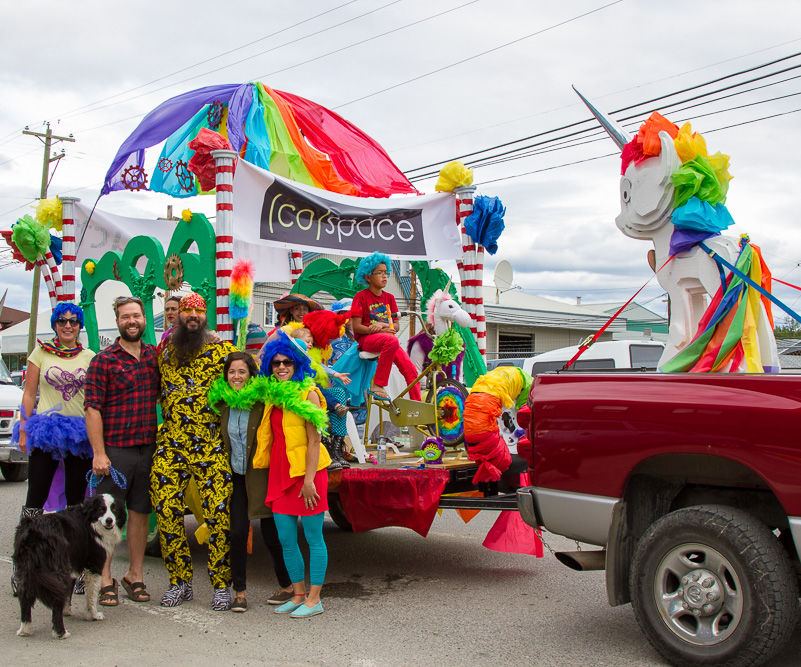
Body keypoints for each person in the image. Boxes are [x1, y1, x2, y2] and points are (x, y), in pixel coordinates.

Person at [152, 292, 237, 610]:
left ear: (205, 316)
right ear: (177, 316)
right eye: (186, 310)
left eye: (197, 311)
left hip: (209, 446)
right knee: (165, 512)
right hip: (171, 445)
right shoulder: (165, 352)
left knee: (218, 514)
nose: (191, 316)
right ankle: (180, 582)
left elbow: (245, 383)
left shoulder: (223, 351)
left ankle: (221, 584)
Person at [11, 303, 95, 592]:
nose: (68, 325)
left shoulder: (89, 356)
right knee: (35, 501)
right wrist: (24, 428)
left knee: (76, 504)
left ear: (79, 325)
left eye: (73, 321)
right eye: (62, 321)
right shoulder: (41, 352)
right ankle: (21, 568)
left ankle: (74, 570)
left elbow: (94, 400)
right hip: (46, 431)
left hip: (79, 435)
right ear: (55, 324)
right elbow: (30, 393)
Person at [84, 295, 160, 606]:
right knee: (108, 516)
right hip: (115, 451)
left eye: (136, 316)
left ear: (144, 319)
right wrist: (99, 453)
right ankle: (105, 577)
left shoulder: (155, 356)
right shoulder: (103, 360)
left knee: (141, 513)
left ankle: (135, 575)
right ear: (117, 321)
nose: (132, 321)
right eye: (125, 317)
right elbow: (92, 409)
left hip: (148, 449)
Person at [208, 351, 294, 613]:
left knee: (272, 535)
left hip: (262, 477)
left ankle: (287, 585)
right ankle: (240, 592)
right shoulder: (222, 403)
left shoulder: (263, 401)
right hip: (235, 477)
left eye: (242, 372)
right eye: (232, 372)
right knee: (236, 533)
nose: (237, 377)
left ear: (251, 375)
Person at [256, 332, 331, 618]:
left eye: (287, 362)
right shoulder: (273, 393)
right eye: (276, 363)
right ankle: (298, 594)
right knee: (286, 538)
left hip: (307, 475)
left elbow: (315, 441)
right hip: (280, 474)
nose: (281, 367)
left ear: (297, 363)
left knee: (313, 537)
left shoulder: (308, 393)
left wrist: (310, 480)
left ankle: (315, 598)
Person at [350, 252, 421, 401]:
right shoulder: (360, 297)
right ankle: (378, 384)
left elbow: (395, 325)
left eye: (386, 273)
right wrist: (371, 328)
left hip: (389, 340)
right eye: (379, 273)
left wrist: (387, 327)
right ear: (368, 277)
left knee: (412, 371)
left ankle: (418, 407)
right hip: (367, 340)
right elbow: (356, 327)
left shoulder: (390, 298)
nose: (384, 276)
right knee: (392, 341)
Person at [463, 366, 533, 486]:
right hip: (488, 400)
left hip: (474, 398)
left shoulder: (502, 375)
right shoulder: (530, 388)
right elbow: (523, 415)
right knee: (501, 459)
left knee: (478, 441)